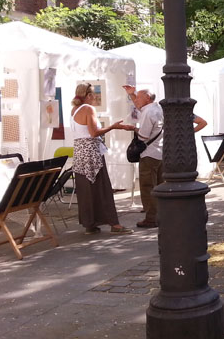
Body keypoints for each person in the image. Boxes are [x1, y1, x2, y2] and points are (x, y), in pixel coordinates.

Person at [70, 83, 132, 235]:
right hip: (91, 152)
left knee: (86, 189)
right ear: (89, 95)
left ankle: (89, 224)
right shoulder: (88, 109)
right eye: (94, 95)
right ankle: (114, 224)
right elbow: (93, 132)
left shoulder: (74, 109)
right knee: (102, 187)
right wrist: (113, 127)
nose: (95, 97)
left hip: (79, 152)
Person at [122, 86, 164, 229]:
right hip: (160, 152)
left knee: (148, 187)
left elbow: (143, 136)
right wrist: (132, 94)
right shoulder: (157, 108)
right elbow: (140, 106)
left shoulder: (148, 113)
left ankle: (151, 218)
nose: (136, 100)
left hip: (149, 154)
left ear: (147, 98)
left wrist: (133, 129)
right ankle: (161, 215)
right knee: (159, 186)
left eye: (139, 97)